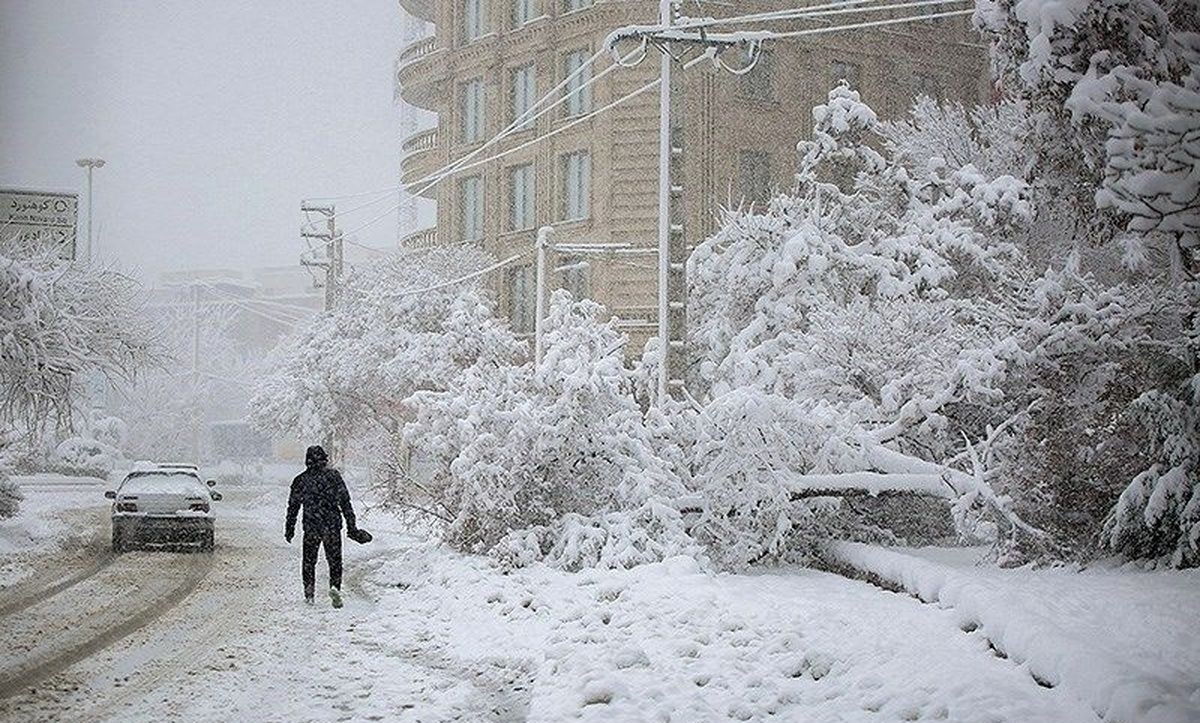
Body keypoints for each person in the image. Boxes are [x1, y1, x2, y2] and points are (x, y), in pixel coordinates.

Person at [285, 445, 357, 608]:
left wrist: (289, 528)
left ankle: (309, 593)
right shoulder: (334, 477)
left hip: (311, 526)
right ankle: (335, 588)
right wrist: (351, 525)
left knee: (309, 562)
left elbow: (293, 507)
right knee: (335, 561)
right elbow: (346, 502)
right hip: (331, 526)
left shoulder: (300, 480)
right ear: (324, 459)